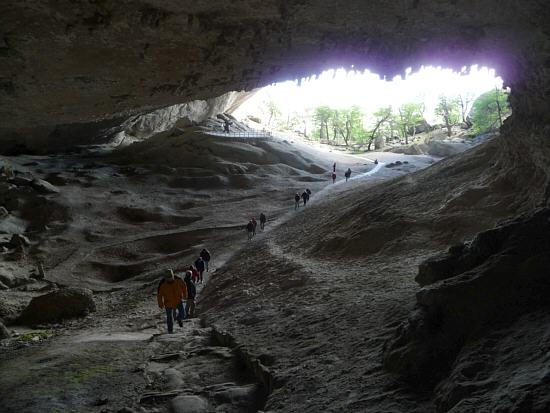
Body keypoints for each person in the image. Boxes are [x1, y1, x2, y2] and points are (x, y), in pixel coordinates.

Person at [157, 269, 188, 333]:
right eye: (168, 278)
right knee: (169, 318)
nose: (170, 279)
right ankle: (170, 331)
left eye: (171, 277)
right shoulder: (162, 284)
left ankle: (179, 319)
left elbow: (184, 287)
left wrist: (185, 295)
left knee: (183, 314)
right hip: (168, 303)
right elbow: (159, 295)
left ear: (173, 275)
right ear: (165, 278)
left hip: (178, 300)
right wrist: (160, 303)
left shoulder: (179, 280)